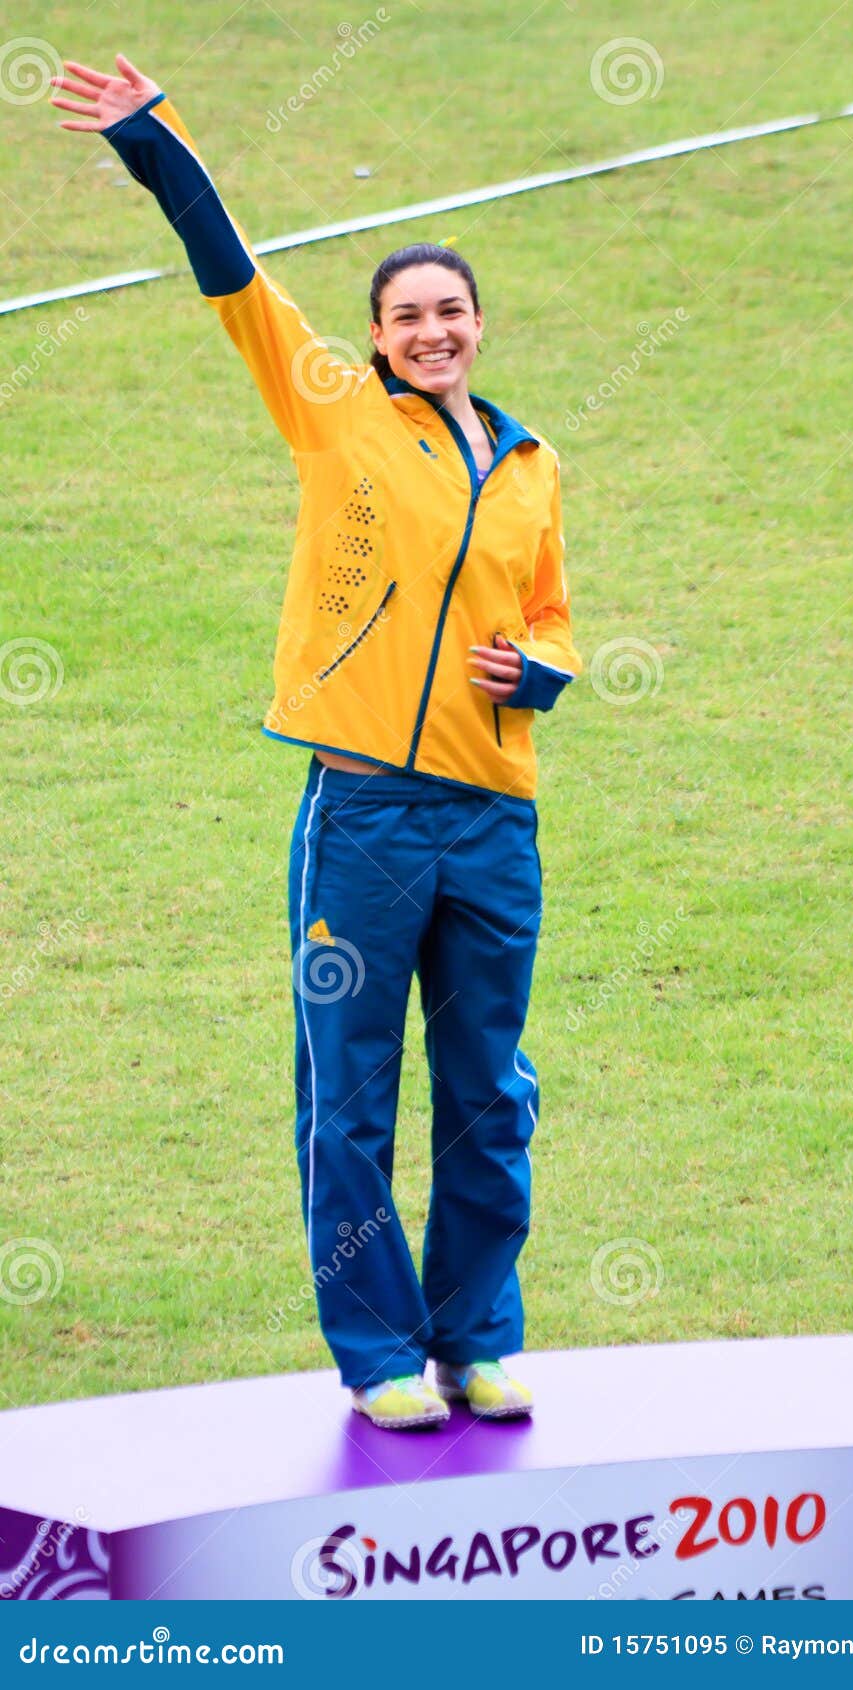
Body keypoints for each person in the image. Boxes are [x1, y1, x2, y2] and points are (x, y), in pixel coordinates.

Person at [51, 53, 583, 1430]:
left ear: (481, 323)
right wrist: (150, 140)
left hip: (492, 820)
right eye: (407, 315)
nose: (431, 331)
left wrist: (544, 674)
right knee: (350, 1095)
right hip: (362, 816)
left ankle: (477, 1336)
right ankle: (379, 1353)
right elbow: (236, 276)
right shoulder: (335, 408)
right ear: (375, 334)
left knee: (489, 1092)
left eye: (450, 311)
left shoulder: (532, 464)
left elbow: (551, 622)